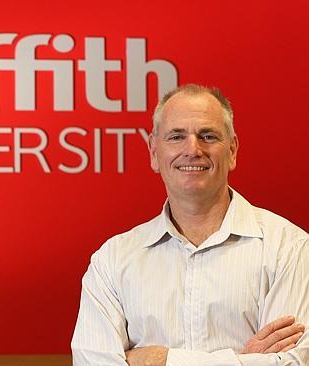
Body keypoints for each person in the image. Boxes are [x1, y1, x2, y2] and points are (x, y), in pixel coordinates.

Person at [71, 84, 308, 366]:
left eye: (208, 136)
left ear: (232, 151)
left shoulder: (289, 249)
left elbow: (294, 361)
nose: (193, 149)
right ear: (154, 152)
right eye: (176, 137)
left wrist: (161, 360)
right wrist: (241, 361)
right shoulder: (112, 260)